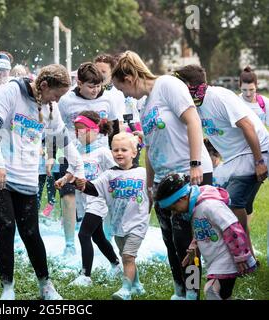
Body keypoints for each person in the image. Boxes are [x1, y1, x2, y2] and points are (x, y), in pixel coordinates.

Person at [0, 64, 84, 300]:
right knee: (6, 227)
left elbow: (62, 137)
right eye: (56, 94)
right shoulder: (13, 91)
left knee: (31, 231)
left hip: (24, 173)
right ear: (44, 86)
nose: (57, 100)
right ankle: (7, 288)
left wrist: (79, 167)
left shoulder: (50, 107)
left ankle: (46, 286)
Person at [111, 51, 213, 300]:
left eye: (122, 87)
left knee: (185, 241)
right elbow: (151, 147)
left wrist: (195, 163)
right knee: (170, 241)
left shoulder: (168, 85)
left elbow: (193, 122)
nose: (124, 95)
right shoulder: (143, 104)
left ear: (130, 76)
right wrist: (149, 185)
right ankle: (180, 291)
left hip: (188, 174)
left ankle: (192, 293)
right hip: (162, 180)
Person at [174, 64, 269, 260]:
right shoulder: (194, 106)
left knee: (230, 204)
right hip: (233, 160)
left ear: (190, 86)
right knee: (220, 201)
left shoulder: (220, 97)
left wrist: (259, 161)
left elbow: (247, 126)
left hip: (256, 152)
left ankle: (244, 257)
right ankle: (245, 253)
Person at [155, 173, 257, 300]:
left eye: (174, 207)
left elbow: (232, 227)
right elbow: (202, 229)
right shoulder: (194, 208)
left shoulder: (209, 205)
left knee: (210, 290)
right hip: (215, 261)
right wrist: (193, 246)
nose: (174, 212)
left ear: (183, 198)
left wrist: (241, 256)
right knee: (224, 296)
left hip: (226, 258)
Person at [74, 132, 150, 300]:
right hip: (119, 225)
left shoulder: (143, 173)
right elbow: (93, 189)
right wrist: (77, 183)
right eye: (115, 150)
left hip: (138, 223)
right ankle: (137, 285)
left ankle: (126, 290)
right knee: (125, 256)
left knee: (128, 256)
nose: (119, 153)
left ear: (134, 153)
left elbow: (153, 193)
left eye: (124, 150)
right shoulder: (109, 174)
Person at [57, 62, 122, 255]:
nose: (95, 91)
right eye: (90, 86)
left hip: (100, 155)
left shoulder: (108, 99)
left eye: (98, 86)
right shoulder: (66, 100)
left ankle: (107, 239)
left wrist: (116, 150)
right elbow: (56, 127)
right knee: (68, 197)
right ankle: (69, 244)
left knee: (105, 196)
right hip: (70, 153)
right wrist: (52, 155)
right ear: (79, 82)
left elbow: (114, 126)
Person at [55, 111, 122, 288]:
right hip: (84, 201)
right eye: (76, 130)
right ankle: (116, 264)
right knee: (98, 237)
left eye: (82, 130)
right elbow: (72, 170)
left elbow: (115, 172)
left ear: (94, 130)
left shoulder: (103, 152)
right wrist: (63, 180)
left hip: (98, 200)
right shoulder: (77, 151)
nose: (78, 134)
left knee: (84, 234)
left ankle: (86, 276)